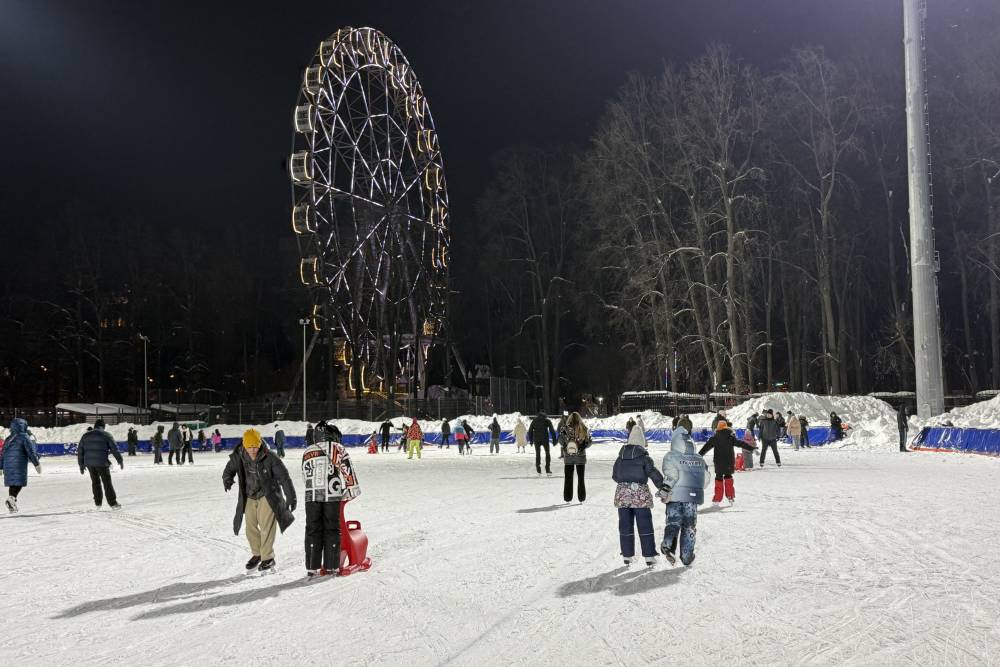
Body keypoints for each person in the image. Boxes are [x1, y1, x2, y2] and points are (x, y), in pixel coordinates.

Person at [222, 428, 296, 573]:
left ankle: (268, 558)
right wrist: (227, 478)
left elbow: (284, 477)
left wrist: (291, 496)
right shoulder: (239, 455)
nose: (253, 450)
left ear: (259, 444)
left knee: (266, 526)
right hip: (250, 495)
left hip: (267, 495)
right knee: (250, 527)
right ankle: (257, 554)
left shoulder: (270, 457)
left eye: (255, 446)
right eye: (249, 447)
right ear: (244, 445)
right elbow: (229, 469)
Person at [301, 421, 360, 577]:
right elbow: (346, 468)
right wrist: (351, 490)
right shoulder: (336, 447)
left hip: (311, 495)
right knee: (331, 528)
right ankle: (332, 566)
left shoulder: (307, 450)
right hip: (331, 494)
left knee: (312, 529)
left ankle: (311, 567)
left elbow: (304, 475)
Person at [612, 425, 664, 567]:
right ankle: (649, 556)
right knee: (645, 524)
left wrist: (625, 482)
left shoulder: (620, 457)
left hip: (623, 495)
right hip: (640, 496)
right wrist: (663, 486)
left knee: (625, 525)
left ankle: (627, 555)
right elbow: (653, 474)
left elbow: (615, 476)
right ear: (642, 442)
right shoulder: (644, 458)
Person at [658, 423, 709, 566]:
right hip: (692, 499)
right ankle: (687, 556)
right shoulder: (699, 459)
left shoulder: (671, 456)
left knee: (673, 521)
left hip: (674, 496)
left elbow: (671, 475)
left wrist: (664, 490)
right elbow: (705, 480)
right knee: (689, 526)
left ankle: (668, 544)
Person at [699, 420, 755, 506]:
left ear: (718, 428)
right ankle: (730, 496)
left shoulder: (714, 438)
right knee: (728, 477)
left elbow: (705, 448)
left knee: (719, 478)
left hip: (718, 462)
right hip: (729, 461)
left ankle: (717, 499)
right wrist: (751, 448)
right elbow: (741, 443)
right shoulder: (731, 437)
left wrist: (698, 455)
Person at [78, 418, 124, 509]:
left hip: (90, 464)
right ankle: (113, 503)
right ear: (103, 426)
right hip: (102, 463)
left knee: (95, 482)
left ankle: (98, 503)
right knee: (107, 483)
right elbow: (114, 449)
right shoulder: (106, 435)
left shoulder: (85, 436)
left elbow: (80, 451)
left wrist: (81, 465)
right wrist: (120, 460)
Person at [1, 418, 41, 514]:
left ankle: (12, 502)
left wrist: (0, 466)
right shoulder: (24, 437)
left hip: (7, 465)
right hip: (18, 464)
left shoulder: (8, 438)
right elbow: (31, 452)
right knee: (18, 482)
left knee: (13, 483)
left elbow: (2, 453)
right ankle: (12, 499)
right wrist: (37, 464)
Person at [559, 412, 591, 502]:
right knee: (581, 478)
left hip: (568, 456)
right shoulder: (583, 428)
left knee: (568, 478)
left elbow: (560, 441)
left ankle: (567, 498)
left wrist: (565, 447)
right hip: (580, 457)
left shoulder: (564, 429)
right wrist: (582, 446)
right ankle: (581, 498)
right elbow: (589, 442)